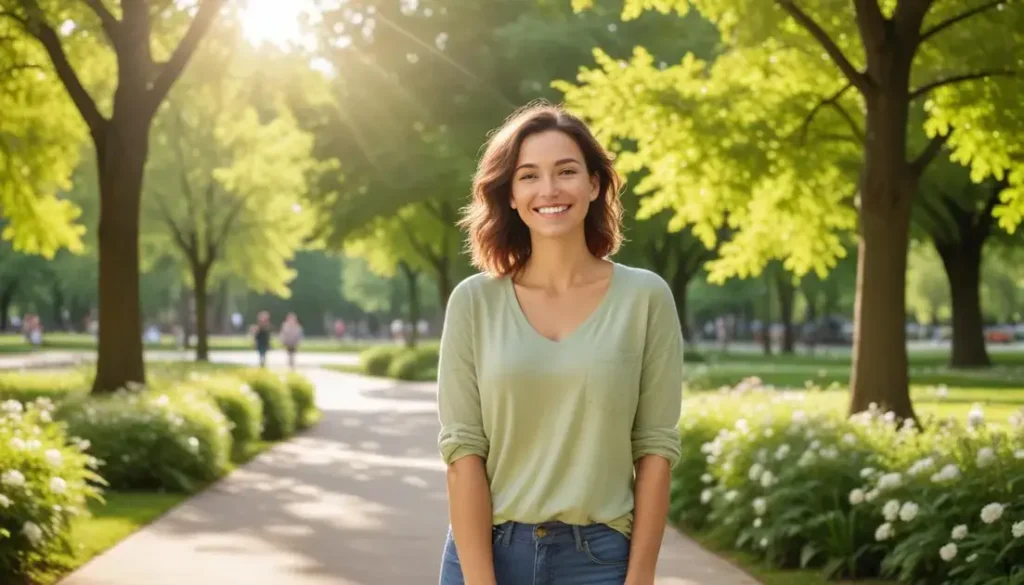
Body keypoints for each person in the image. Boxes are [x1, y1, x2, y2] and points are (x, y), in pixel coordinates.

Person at [436, 101, 684, 585]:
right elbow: (463, 454)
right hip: (487, 554)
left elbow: (655, 449)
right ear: (510, 194)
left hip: (600, 562)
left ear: (594, 184)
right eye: (528, 175)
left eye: (566, 171)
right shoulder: (473, 301)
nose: (549, 189)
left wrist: (640, 578)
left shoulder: (644, 297)